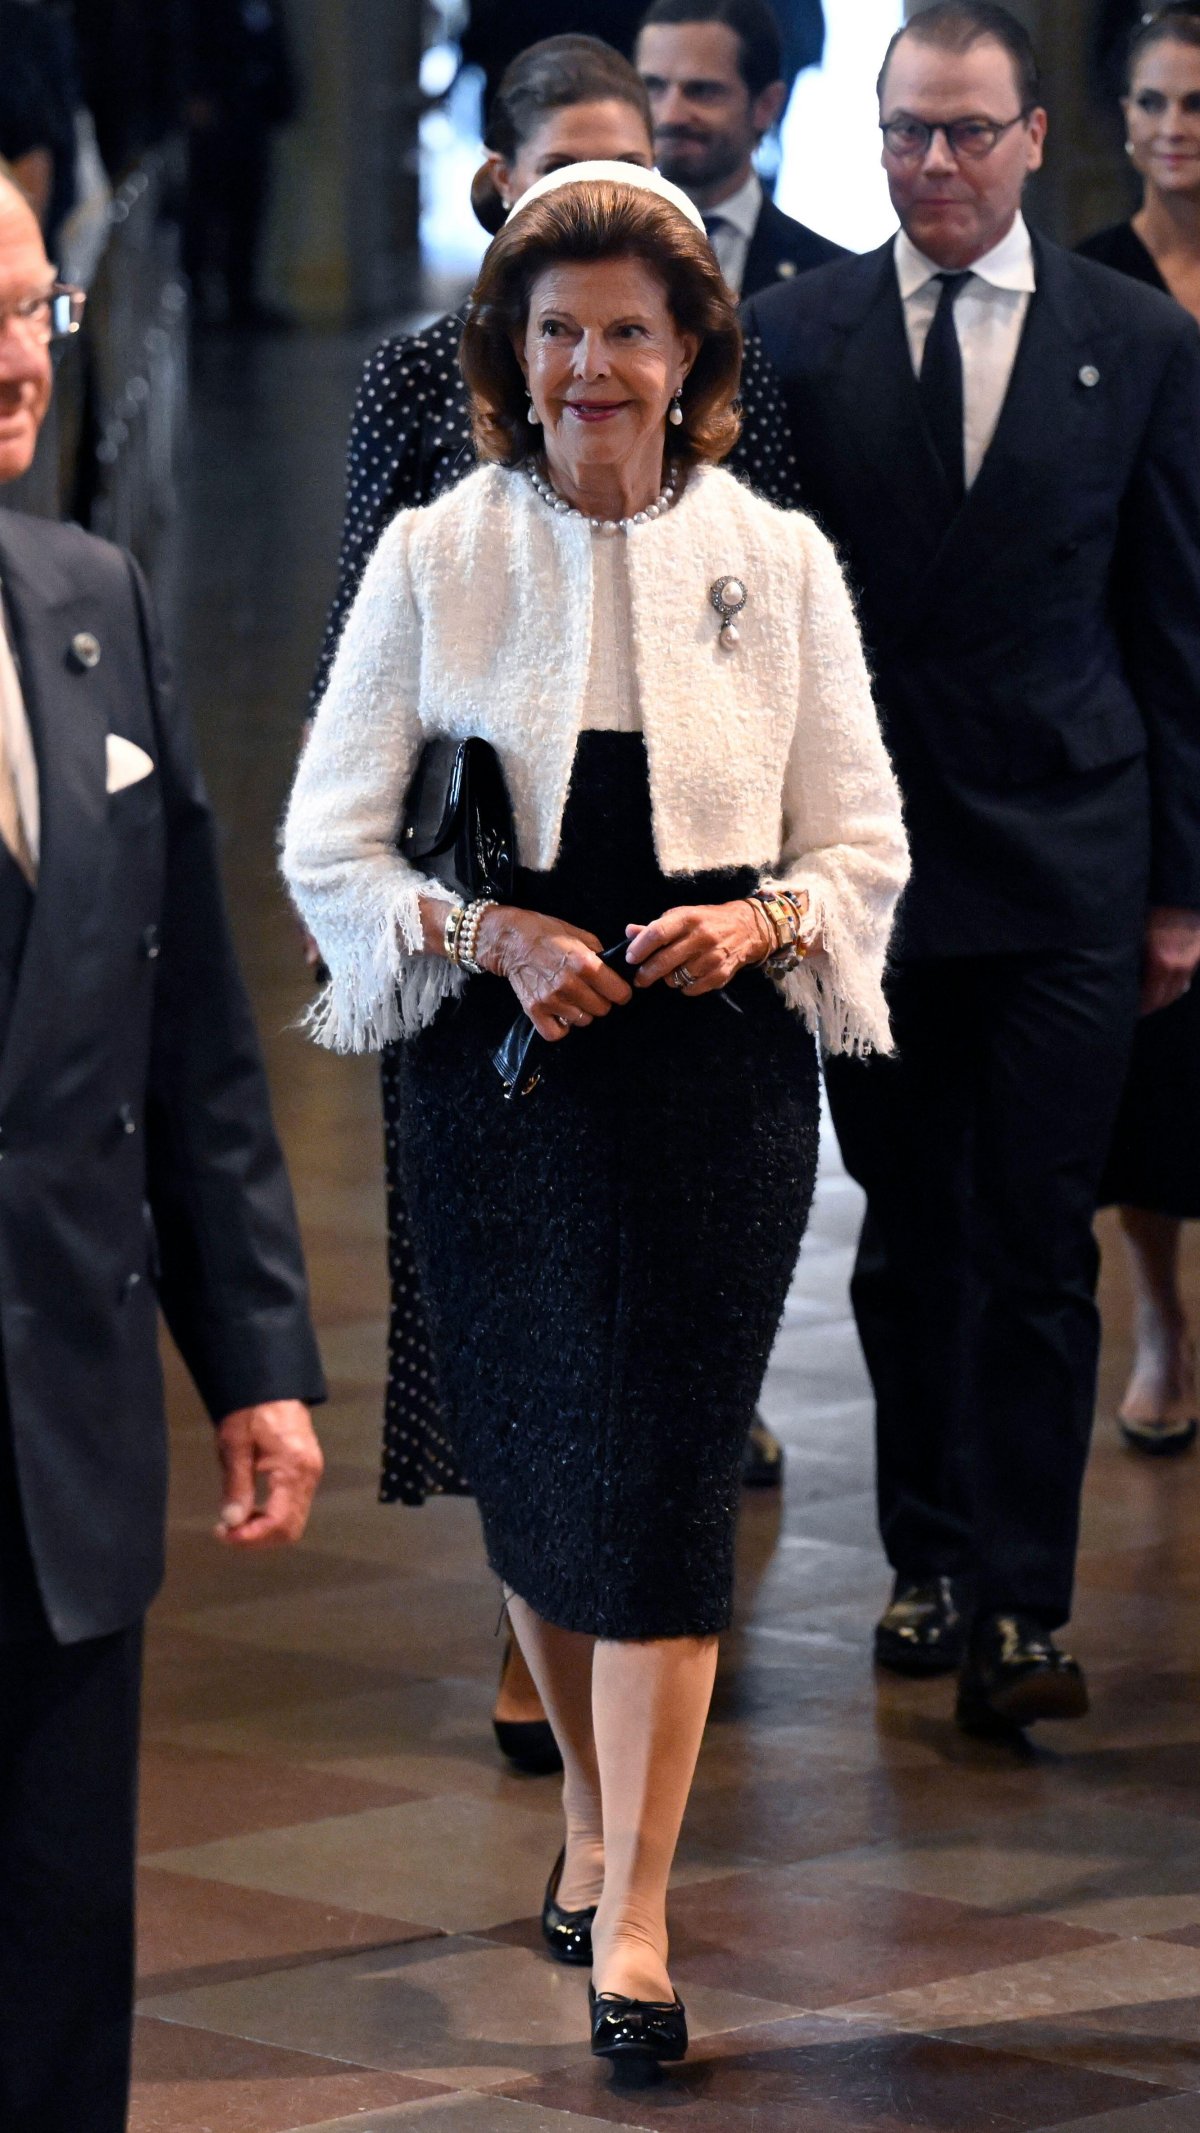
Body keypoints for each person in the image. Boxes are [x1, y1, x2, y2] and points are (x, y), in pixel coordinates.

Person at [284, 162, 907, 2074]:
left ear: (694, 345)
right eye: (557, 330)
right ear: (511, 348)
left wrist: (772, 915)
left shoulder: (781, 560)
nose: (591, 365)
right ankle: (582, 1805)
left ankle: (635, 1907)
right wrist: (485, 929)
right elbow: (330, 842)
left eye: (629, 329)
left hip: (715, 1084)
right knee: (552, 1485)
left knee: (658, 1488)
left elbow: (862, 839)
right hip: (512, 1078)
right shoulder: (436, 557)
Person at [309, 32, 806, 1778]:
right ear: (500, 190)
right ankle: (535, 1621)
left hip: (682, 954)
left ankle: (625, 1631)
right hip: (478, 914)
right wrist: (450, 917)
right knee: (499, 1336)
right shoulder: (413, 401)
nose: (605, 204)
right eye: (571, 176)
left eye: (637, 175)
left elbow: (776, 656)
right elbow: (367, 696)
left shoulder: (736, 430)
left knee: (649, 1366)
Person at [743, 0, 1200, 1735]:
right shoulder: (796, 336)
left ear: (1029, 145)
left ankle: (1021, 1599)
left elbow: (1174, 625)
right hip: (873, 861)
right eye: (906, 133)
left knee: (1034, 1237)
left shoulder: (1134, 343)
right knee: (906, 1232)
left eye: (967, 133)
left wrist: (1182, 883)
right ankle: (928, 1559)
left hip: (1072, 849)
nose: (934, 164)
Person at [0, 174, 325, 2133]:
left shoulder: (85, 600)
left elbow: (186, 1020)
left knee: (52, 1945)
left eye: (33, 306)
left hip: (61, 1423)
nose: (14, 356)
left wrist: (258, 1351)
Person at [1080, 2, 1200, 1457]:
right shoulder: (1096, 290)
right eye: (1159, 103)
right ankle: (1164, 1316)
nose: (1179, 128)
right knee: (1158, 1057)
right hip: (1148, 689)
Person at [635, 0, 844, 296]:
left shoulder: (830, 279)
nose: (670, 115)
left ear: (766, 105)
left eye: (702, 91)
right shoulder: (590, 250)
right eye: (653, 87)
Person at [182, 0, 299, 329]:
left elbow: (273, 47)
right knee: (206, 209)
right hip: (216, 119)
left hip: (253, 115)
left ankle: (241, 295)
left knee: (250, 207)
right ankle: (198, 296)